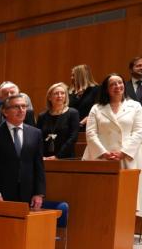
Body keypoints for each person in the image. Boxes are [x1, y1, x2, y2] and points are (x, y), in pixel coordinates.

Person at [83, 73, 142, 214]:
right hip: (102, 157)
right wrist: (104, 153)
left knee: (127, 200)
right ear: (106, 89)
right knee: (102, 199)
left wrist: (123, 152)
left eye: (120, 83)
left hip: (127, 157)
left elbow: (139, 131)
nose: (117, 86)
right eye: (113, 84)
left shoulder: (135, 106)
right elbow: (91, 133)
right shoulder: (96, 108)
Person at [0, 94, 45, 208]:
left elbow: (38, 166)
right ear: (5, 112)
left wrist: (39, 193)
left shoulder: (36, 133)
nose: (21, 110)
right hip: (1, 195)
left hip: (28, 195)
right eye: (16, 107)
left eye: (23, 106)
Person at [36, 82, 80, 159]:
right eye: (56, 93)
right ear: (49, 97)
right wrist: (41, 156)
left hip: (65, 157)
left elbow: (73, 138)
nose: (60, 96)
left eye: (62, 93)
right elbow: (38, 139)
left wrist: (57, 156)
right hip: (45, 158)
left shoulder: (73, 113)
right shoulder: (42, 116)